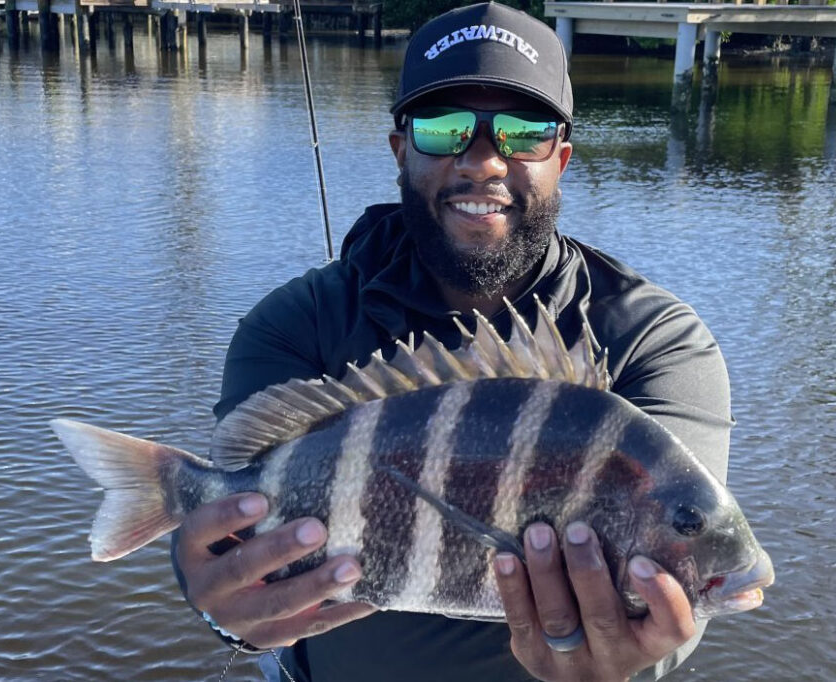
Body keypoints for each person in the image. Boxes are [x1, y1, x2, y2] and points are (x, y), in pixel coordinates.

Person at [172, 3, 733, 681]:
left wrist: (631, 659)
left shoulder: (654, 340)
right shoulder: (297, 324)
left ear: (562, 157)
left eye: (523, 133)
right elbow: (240, 538)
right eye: (445, 129)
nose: (484, 161)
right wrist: (221, 608)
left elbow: (682, 584)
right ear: (401, 149)